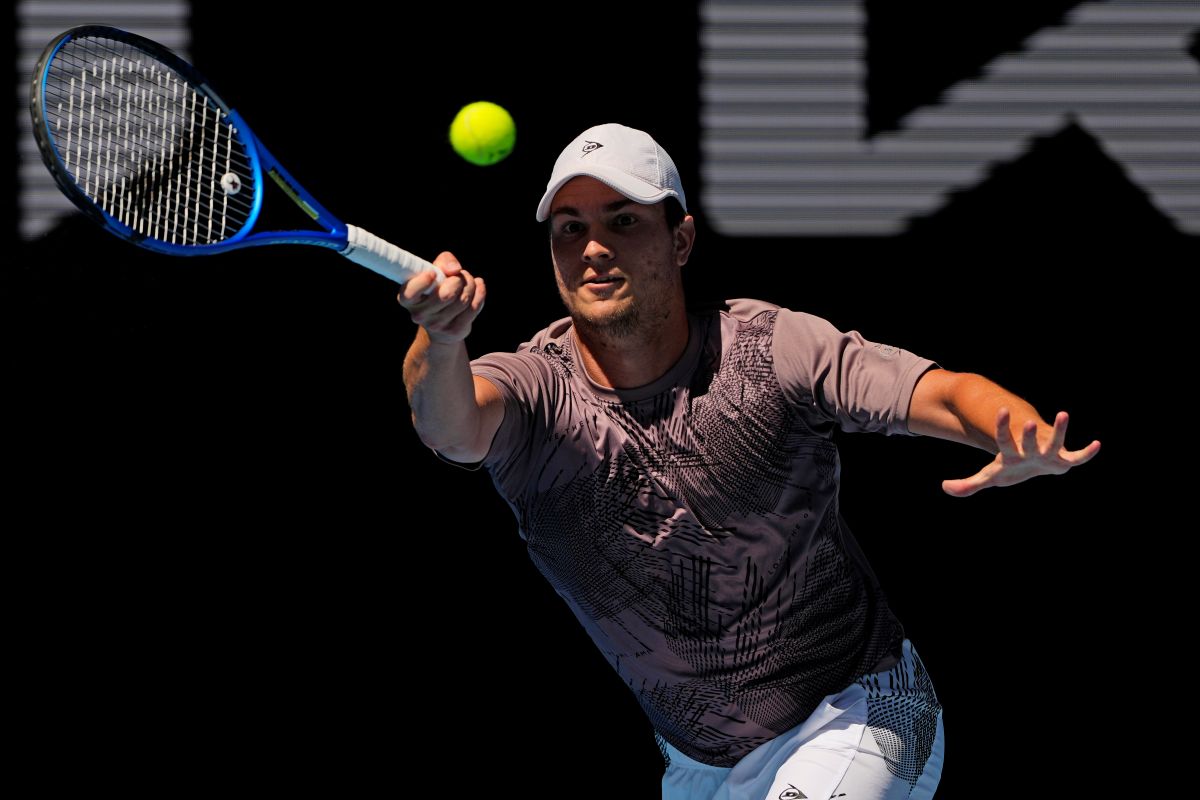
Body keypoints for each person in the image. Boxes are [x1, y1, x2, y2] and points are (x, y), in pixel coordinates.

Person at [395, 123, 1100, 799]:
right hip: (697, 765)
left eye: (623, 221)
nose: (593, 248)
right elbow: (449, 425)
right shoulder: (534, 392)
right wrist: (441, 338)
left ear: (681, 239)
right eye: (570, 229)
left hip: (855, 714)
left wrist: (1014, 431)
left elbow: (937, 392)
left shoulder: (768, 350)